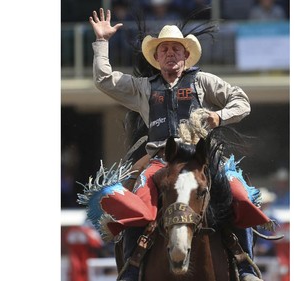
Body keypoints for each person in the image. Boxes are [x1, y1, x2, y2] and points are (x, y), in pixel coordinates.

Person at [88, 7, 272, 281]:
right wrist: (102, 42)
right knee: (135, 207)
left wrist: (218, 116)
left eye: (176, 49)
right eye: (164, 50)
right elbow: (104, 79)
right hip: (159, 161)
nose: (170, 54)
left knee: (239, 195)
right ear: (156, 57)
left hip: (202, 159)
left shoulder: (203, 81)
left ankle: (244, 265)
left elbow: (241, 101)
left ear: (186, 55)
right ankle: (132, 267)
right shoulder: (144, 87)